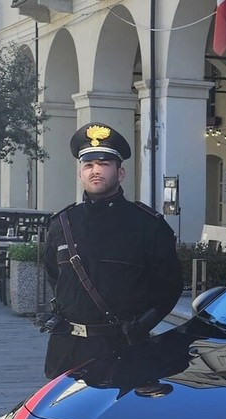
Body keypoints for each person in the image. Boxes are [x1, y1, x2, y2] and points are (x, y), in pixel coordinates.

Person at [40, 123, 184, 378]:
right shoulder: (62, 224)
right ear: (80, 173)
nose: (95, 170)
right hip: (67, 350)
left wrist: (143, 325)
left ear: (121, 173)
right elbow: (54, 275)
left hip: (123, 349)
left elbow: (169, 286)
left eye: (104, 164)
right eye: (88, 165)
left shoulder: (147, 226)